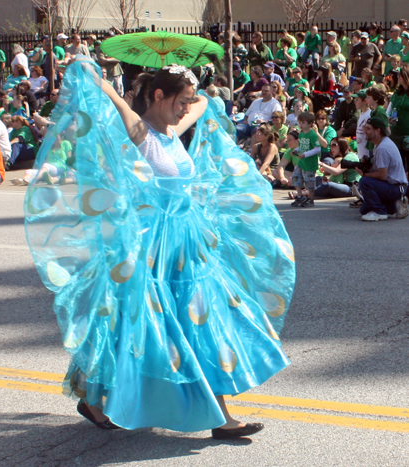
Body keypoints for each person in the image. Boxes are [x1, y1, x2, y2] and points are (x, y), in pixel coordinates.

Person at [24, 60, 295, 438]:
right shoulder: (141, 133)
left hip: (190, 243)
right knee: (133, 325)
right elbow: (118, 103)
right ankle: (92, 395)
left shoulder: (173, 130)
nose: (186, 108)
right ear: (157, 97)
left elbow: (201, 105)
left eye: (187, 102)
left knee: (203, 320)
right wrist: (99, 81)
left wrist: (197, 85)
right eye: (180, 101)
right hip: (154, 247)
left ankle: (219, 413)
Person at [357, 117, 408, 221]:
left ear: (377, 130)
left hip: (396, 187)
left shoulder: (383, 148)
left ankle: (379, 212)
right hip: (395, 186)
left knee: (364, 182)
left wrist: (364, 174)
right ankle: (396, 206)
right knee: (364, 210)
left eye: (368, 128)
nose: (365, 131)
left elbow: (382, 175)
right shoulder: (382, 144)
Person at [291, 111, 321, 207]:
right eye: (299, 122)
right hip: (301, 162)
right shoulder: (301, 134)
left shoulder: (312, 135)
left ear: (310, 123)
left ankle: (310, 199)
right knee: (296, 177)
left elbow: (317, 148)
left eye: (303, 123)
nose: (301, 125)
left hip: (309, 163)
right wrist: (296, 151)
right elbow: (301, 146)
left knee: (309, 182)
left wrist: (306, 154)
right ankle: (300, 196)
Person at [387, 67, 409, 171]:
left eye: (401, 75)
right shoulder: (396, 93)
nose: (399, 77)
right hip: (395, 133)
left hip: (407, 134)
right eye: (398, 75)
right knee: (397, 163)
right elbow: (389, 110)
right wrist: (388, 118)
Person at [96, 32, 124, 97]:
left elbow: (119, 59)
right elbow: (102, 61)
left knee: (119, 94)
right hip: (107, 74)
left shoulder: (116, 48)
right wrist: (112, 58)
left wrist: (107, 59)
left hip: (117, 73)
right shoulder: (100, 48)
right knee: (109, 94)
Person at [354, 90, 371, 160]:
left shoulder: (369, 115)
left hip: (367, 154)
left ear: (365, 101)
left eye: (357, 100)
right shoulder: (361, 114)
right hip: (360, 153)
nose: (355, 102)